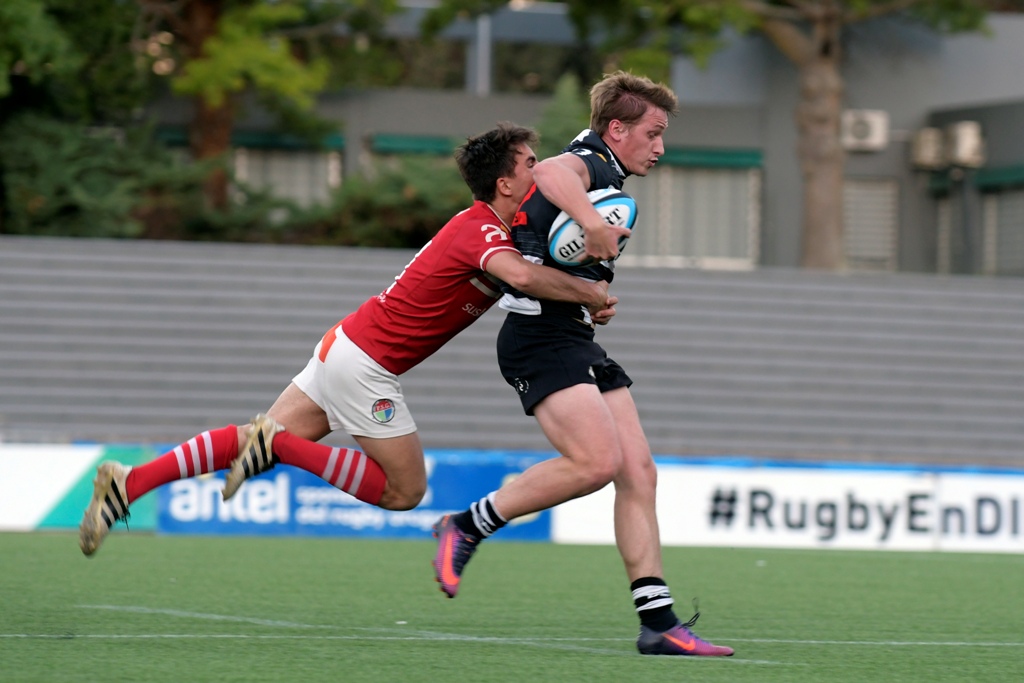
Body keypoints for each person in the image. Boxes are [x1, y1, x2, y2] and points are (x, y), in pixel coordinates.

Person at [78, 122, 617, 556]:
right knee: (404, 491)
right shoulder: (482, 230)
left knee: (250, 441)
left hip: (347, 345)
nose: (540, 171)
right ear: (505, 184)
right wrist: (588, 293)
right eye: (530, 163)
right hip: (366, 364)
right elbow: (522, 277)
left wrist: (584, 291)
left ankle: (129, 483)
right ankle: (279, 445)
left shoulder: (495, 231)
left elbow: (532, 277)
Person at [431, 73, 734, 657]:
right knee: (596, 463)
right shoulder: (590, 160)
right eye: (653, 133)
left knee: (638, 472)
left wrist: (591, 296)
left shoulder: (606, 171)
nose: (660, 147)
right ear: (617, 129)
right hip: (538, 339)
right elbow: (550, 172)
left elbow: (558, 245)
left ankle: (658, 622)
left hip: (571, 334)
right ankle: (466, 525)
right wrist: (593, 226)